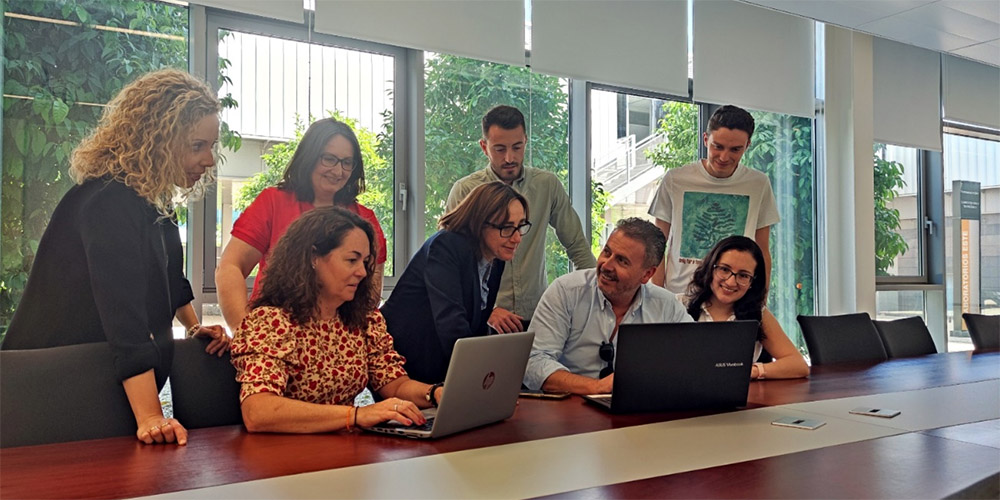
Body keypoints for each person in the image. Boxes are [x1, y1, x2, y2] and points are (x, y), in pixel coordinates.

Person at [2, 69, 230, 446]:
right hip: (45, 385)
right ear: (156, 139)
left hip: (94, 377)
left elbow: (172, 281)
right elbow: (124, 315)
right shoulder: (108, 200)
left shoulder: (153, 201)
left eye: (211, 146)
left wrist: (192, 328)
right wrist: (152, 416)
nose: (208, 160)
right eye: (196, 146)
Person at [230, 207, 443, 433]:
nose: (362, 272)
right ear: (313, 258)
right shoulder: (271, 321)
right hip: (287, 455)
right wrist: (356, 415)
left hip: (344, 449)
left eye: (365, 262)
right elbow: (258, 412)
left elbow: (394, 384)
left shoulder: (365, 320)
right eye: (352, 260)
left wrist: (435, 393)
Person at [216, 117, 387, 332]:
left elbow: (368, 296)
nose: (338, 171)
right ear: (310, 157)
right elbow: (230, 267)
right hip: (273, 337)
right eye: (329, 159)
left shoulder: (365, 219)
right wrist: (246, 335)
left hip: (339, 346)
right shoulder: (273, 202)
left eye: (346, 162)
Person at [446, 105, 595, 332]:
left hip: (538, 316)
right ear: (484, 147)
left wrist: (599, 295)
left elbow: (577, 245)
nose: (509, 158)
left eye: (517, 147)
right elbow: (451, 263)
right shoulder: (466, 190)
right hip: (487, 318)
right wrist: (489, 309)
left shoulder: (547, 185)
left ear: (526, 140)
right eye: (499, 149)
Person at [523, 218, 692, 395]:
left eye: (622, 261)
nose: (607, 265)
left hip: (637, 411)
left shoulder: (666, 306)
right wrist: (597, 388)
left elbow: (696, 356)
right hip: (568, 410)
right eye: (606, 252)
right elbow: (533, 362)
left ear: (647, 274)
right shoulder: (566, 291)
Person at [382, 182, 530, 383]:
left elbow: (475, 327)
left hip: (437, 365)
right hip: (403, 365)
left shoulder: (496, 258)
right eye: (506, 227)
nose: (516, 238)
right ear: (479, 223)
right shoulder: (447, 245)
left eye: (520, 226)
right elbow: (452, 325)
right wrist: (484, 381)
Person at [648, 104, 779, 294]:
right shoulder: (676, 180)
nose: (724, 157)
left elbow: (762, 250)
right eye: (717, 147)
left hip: (735, 298)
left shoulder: (758, 184)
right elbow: (657, 244)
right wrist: (656, 296)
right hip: (680, 296)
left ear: (747, 146)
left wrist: (760, 298)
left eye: (735, 150)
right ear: (705, 139)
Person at [682, 236, 808, 380]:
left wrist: (753, 371)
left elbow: (798, 365)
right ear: (710, 267)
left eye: (743, 275)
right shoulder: (679, 304)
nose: (730, 282)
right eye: (724, 269)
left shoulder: (759, 313)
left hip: (739, 398)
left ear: (753, 282)